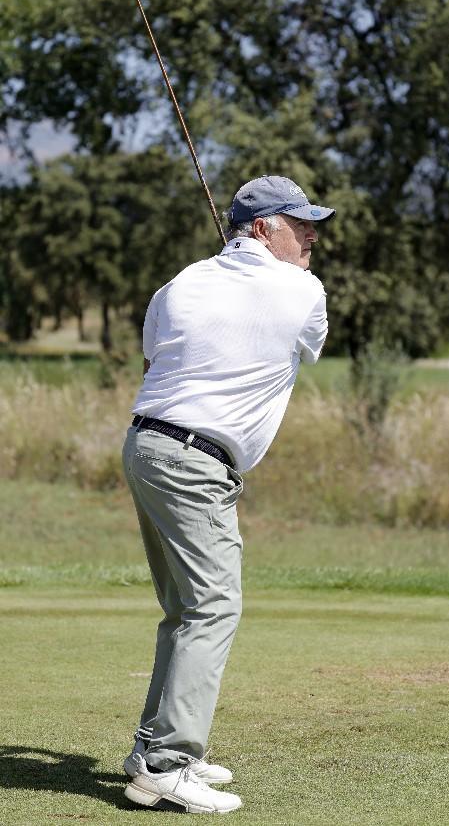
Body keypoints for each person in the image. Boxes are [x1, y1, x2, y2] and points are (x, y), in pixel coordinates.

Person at [121, 175, 335, 814]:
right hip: (194, 463)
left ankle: (153, 747)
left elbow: (154, 362)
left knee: (185, 608)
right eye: (300, 225)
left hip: (147, 446)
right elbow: (309, 348)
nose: (313, 236)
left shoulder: (180, 283)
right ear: (264, 228)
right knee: (212, 606)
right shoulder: (304, 291)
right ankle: (166, 764)